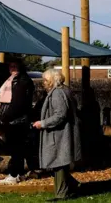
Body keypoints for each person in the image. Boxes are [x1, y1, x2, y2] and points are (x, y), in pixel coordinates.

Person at [33, 69, 82, 201]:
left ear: (52, 81)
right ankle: (72, 185)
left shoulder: (57, 93)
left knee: (58, 163)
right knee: (58, 162)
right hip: (63, 133)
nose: (43, 83)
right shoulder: (65, 90)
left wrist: (42, 123)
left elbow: (60, 115)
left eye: (45, 80)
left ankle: (61, 194)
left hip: (59, 135)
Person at [0, 59, 34, 185]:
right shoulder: (11, 80)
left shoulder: (22, 81)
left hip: (15, 121)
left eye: (15, 66)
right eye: (11, 66)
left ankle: (14, 174)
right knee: (16, 148)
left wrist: (6, 117)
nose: (12, 68)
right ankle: (18, 173)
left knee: (16, 148)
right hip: (12, 119)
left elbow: (18, 103)